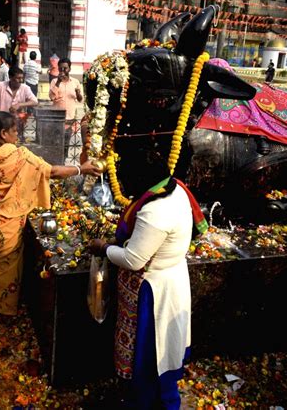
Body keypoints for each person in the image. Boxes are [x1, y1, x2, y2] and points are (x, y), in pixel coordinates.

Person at [88, 142, 204, 409]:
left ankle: (150, 401)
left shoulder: (156, 209)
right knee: (161, 355)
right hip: (169, 276)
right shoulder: (174, 189)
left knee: (152, 355)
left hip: (153, 290)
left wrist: (104, 248)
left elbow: (134, 259)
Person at [0, 111, 101, 315]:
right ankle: (2, 307)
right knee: (3, 268)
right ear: (3, 134)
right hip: (4, 226)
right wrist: (81, 169)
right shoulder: (18, 156)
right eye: (15, 131)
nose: (18, 135)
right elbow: (52, 172)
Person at [0, 66, 37, 142]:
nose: (21, 80)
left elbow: (35, 101)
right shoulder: (0, 86)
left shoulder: (25, 88)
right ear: (10, 77)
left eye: (22, 78)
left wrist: (20, 104)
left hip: (18, 124)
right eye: (18, 78)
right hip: (2, 122)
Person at [49, 58, 83, 156]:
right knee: (56, 144)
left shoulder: (75, 82)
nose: (63, 71)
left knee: (65, 144)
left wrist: (77, 93)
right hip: (57, 119)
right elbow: (51, 97)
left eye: (65, 68)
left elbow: (80, 99)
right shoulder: (54, 81)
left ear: (70, 69)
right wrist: (58, 82)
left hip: (69, 119)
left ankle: (63, 163)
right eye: (61, 69)